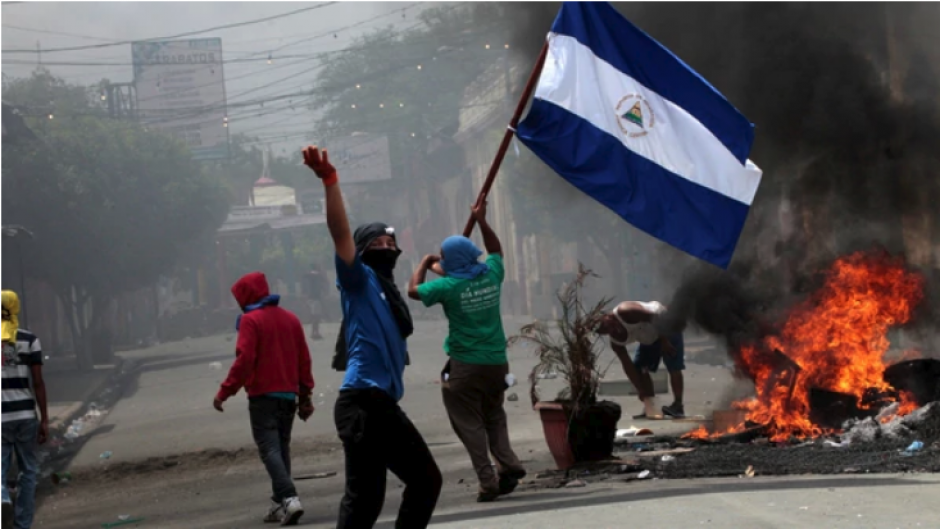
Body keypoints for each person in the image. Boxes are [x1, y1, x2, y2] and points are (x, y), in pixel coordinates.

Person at [302, 145, 442, 529]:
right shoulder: (359, 281)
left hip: (373, 404)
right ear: (361, 253)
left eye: (389, 244)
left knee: (368, 500)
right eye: (375, 244)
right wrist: (330, 182)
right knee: (422, 481)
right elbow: (340, 232)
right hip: (365, 402)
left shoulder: (389, 293)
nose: (385, 248)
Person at [407, 201, 526, 502]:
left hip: (464, 365)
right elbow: (496, 250)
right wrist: (482, 222)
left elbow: (413, 291)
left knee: (469, 423)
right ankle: (509, 464)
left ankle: (488, 481)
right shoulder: (491, 275)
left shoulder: (446, 287)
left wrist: (423, 262)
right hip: (497, 362)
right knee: (494, 414)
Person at [213, 272, 315, 526]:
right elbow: (304, 360)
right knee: (281, 448)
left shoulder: (250, 320)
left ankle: (290, 499)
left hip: (262, 396)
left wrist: (225, 391)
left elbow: (245, 360)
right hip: (288, 396)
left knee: (269, 449)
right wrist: (305, 396)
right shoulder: (291, 319)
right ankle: (277, 503)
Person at [1, 290, 47, 529]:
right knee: (28, 470)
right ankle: (22, 525)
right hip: (25, 415)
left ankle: (2, 497)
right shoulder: (29, 340)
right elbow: (37, 382)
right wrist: (45, 420)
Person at [595, 301, 683, 419]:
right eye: (605, 331)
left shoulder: (626, 311)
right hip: (649, 339)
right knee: (640, 367)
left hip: (665, 327)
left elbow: (655, 318)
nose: (610, 330)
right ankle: (651, 407)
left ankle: (678, 406)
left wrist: (664, 340)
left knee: (673, 365)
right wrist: (640, 389)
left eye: (607, 325)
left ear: (606, 316)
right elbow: (627, 365)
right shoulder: (616, 342)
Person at [304, 264, 326, 340]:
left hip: (311, 297)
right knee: (316, 317)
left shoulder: (309, 275)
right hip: (316, 298)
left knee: (314, 316)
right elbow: (323, 280)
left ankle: (314, 332)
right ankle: (315, 333)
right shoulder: (317, 275)